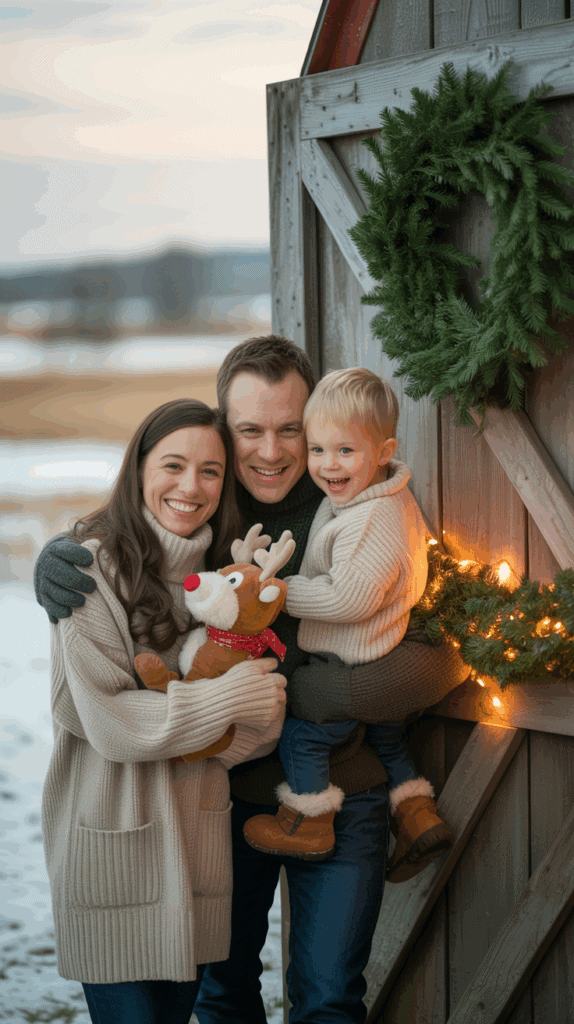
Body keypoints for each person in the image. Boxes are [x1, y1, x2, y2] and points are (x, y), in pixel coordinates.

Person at [35, 337, 467, 1024]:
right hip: (223, 803)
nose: (271, 451)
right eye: (249, 431)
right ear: (224, 430)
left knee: (329, 998)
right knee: (223, 996)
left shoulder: (359, 509)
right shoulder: (208, 512)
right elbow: (135, 538)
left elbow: (441, 658)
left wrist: (322, 695)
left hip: (343, 788)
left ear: (317, 423)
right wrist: (59, 555)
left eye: (290, 429)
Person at [40, 398, 286, 1024]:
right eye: (173, 465)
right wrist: (230, 701)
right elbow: (112, 724)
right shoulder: (88, 567)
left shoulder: (223, 581)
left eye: (210, 471)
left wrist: (227, 724)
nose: (190, 486)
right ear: (139, 468)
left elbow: (255, 734)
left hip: (198, 852)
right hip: (110, 843)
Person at [242, 368, 453, 875]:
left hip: (353, 656)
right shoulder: (369, 499)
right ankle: (416, 813)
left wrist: (281, 594)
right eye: (317, 450)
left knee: (304, 736)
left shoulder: (372, 518)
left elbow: (350, 598)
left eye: (344, 452)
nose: (327, 465)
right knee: (386, 739)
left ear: (383, 452)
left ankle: (309, 820)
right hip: (373, 645)